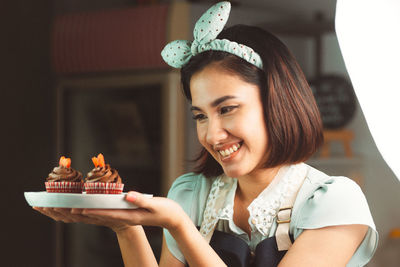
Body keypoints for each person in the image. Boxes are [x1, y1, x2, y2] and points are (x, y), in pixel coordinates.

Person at [34, 2, 378, 266]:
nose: (212, 135)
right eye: (200, 115)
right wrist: (126, 227)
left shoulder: (333, 203)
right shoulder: (192, 194)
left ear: (278, 102)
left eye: (227, 108)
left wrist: (181, 228)